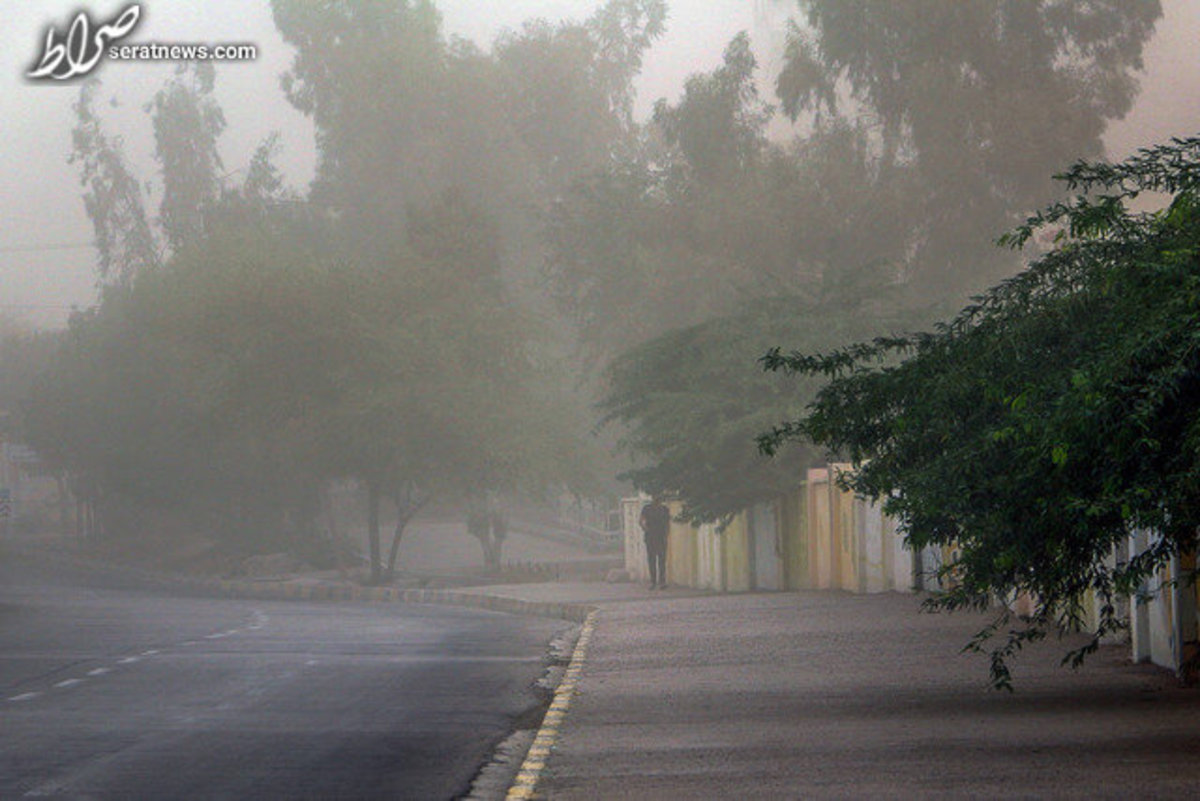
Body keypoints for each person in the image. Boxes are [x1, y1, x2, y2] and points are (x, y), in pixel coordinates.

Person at [639, 494, 671, 590]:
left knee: (656, 560)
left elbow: (641, 521)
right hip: (656, 537)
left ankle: (658, 582)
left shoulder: (649, 508)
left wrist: (646, 529)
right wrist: (646, 529)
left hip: (655, 537)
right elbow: (641, 521)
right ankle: (658, 582)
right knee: (658, 560)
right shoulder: (662, 509)